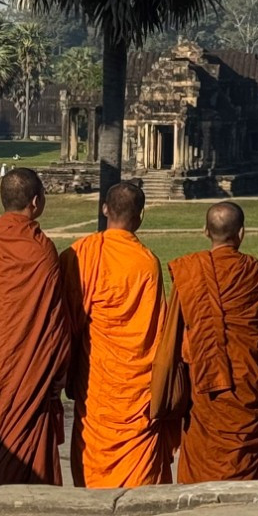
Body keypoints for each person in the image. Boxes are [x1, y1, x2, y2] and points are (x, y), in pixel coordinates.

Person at [153, 200, 258, 483]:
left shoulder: (191, 272)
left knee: (201, 470)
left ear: (205, 231)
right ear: (242, 233)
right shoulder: (256, 273)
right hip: (244, 390)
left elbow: (174, 334)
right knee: (239, 468)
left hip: (203, 391)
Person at [59, 180, 169, 488]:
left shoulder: (79, 255)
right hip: (135, 385)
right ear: (140, 216)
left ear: (105, 209)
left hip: (98, 378)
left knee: (93, 452)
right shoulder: (147, 263)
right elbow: (156, 330)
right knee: (137, 462)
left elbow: (65, 320)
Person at [0, 168, 71, 486]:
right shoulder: (40, 250)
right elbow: (54, 321)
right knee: (29, 457)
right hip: (30, 375)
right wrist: (59, 371)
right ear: (36, 202)